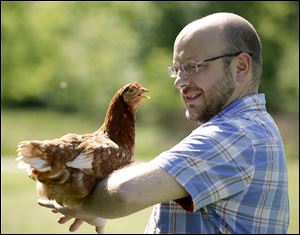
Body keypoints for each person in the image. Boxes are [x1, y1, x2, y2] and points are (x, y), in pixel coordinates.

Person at [39, 12, 290, 234]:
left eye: (192, 66)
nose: (179, 81)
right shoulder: (254, 129)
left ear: (241, 66)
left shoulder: (235, 134)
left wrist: (84, 202)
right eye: (177, 69)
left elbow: (127, 192)